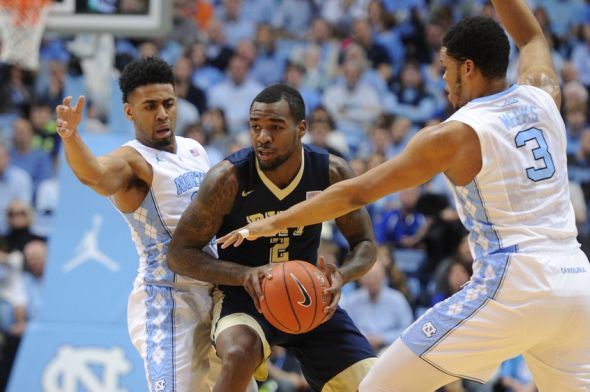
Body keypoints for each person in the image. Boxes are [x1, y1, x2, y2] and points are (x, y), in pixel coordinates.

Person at [218, 1, 590, 390]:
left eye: (446, 69)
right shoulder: (544, 95)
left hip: (516, 282)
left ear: (468, 68)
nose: (443, 81)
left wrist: (274, 222)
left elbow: (357, 192)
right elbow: (531, 36)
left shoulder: (455, 134)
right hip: (576, 282)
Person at [167, 84, 377, 392]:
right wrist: (244, 274)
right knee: (240, 353)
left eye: (275, 127)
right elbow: (179, 254)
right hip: (244, 298)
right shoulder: (227, 179)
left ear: (301, 128)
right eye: (255, 127)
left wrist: (342, 275)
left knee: (372, 382)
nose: (262, 136)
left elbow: (366, 243)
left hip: (311, 295)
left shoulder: (331, 172)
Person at [55, 57, 221, 392]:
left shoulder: (194, 149)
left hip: (216, 297)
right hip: (169, 303)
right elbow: (96, 176)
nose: (162, 113)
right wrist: (72, 136)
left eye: (168, 103)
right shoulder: (132, 161)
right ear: (130, 112)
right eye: (150, 106)